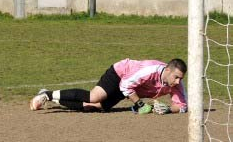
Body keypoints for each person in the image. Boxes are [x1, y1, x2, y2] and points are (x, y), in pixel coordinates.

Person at [30, 58, 187, 114]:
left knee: (94, 106)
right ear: (167, 70)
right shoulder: (149, 70)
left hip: (128, 88)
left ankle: (56, 99)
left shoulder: (176, 84)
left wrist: (168, 109)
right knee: (94, 96)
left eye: (181, 78)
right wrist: (139, 104)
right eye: (176, 77)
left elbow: (182, 105)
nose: (178, 81)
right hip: (120, 73)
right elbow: (126, 85)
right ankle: (46, 95)